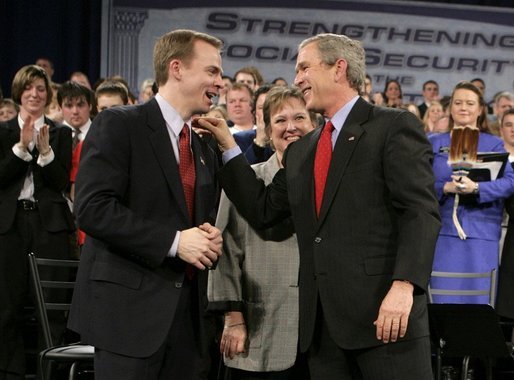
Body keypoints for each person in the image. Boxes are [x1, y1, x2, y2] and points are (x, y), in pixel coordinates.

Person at [197, 33, 441, 380]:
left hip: (384, 321)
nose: (297, 79)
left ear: (338, 68)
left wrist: (404, 286)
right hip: (322, 333)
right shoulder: (303, 150)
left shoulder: (392, 127)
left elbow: (420, 212)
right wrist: (227, 146)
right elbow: (263, 209)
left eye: (305, 67)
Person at [67, 29, 224, 380]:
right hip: (128, 319)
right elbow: (92, 208)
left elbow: (195, 222)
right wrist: (175, 242)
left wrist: (209, 235)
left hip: (189, 323)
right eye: (212, 71)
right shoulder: (120, 124)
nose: (220, 82)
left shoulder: (202, 146)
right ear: (177, 68)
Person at [208, 86, 316, 380]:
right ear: (267, 131)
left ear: (314, 126)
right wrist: (232, 318)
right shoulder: (246, 180)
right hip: (261, 327)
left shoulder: (329, 184)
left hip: (320, 337)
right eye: (280, 120)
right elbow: (225, 252)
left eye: (300, 118)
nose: (291, 127)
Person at [0, 64, 74, 380]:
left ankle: (51, 370)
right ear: (19, 93)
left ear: (48, 94)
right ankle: (10, 371)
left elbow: (59, 183)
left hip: (50, 226)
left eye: (41, 89)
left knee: (52, 305)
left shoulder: (61, 132)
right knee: (7, 306)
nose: (35, 94)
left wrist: (45, 153)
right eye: (29, 88)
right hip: (10, 225)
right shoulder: (2, 131)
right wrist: (20, 149)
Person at [429, 81, 514, 304]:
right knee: (441, 305)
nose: (463, 107)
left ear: (480, 109)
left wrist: (477, 188)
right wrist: (444, 187)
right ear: (450, 108)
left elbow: (510, 182)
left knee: (478, 308)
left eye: (469, 103)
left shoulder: (494, 144)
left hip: (482, 236)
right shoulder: (433, 142)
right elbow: (417, 183)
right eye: (458, 102)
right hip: (442, 234)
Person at [495, 109, 514, 320]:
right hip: (490, 230)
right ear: (501, 129)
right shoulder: (494, 158)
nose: (513, 129)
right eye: (508, 124)